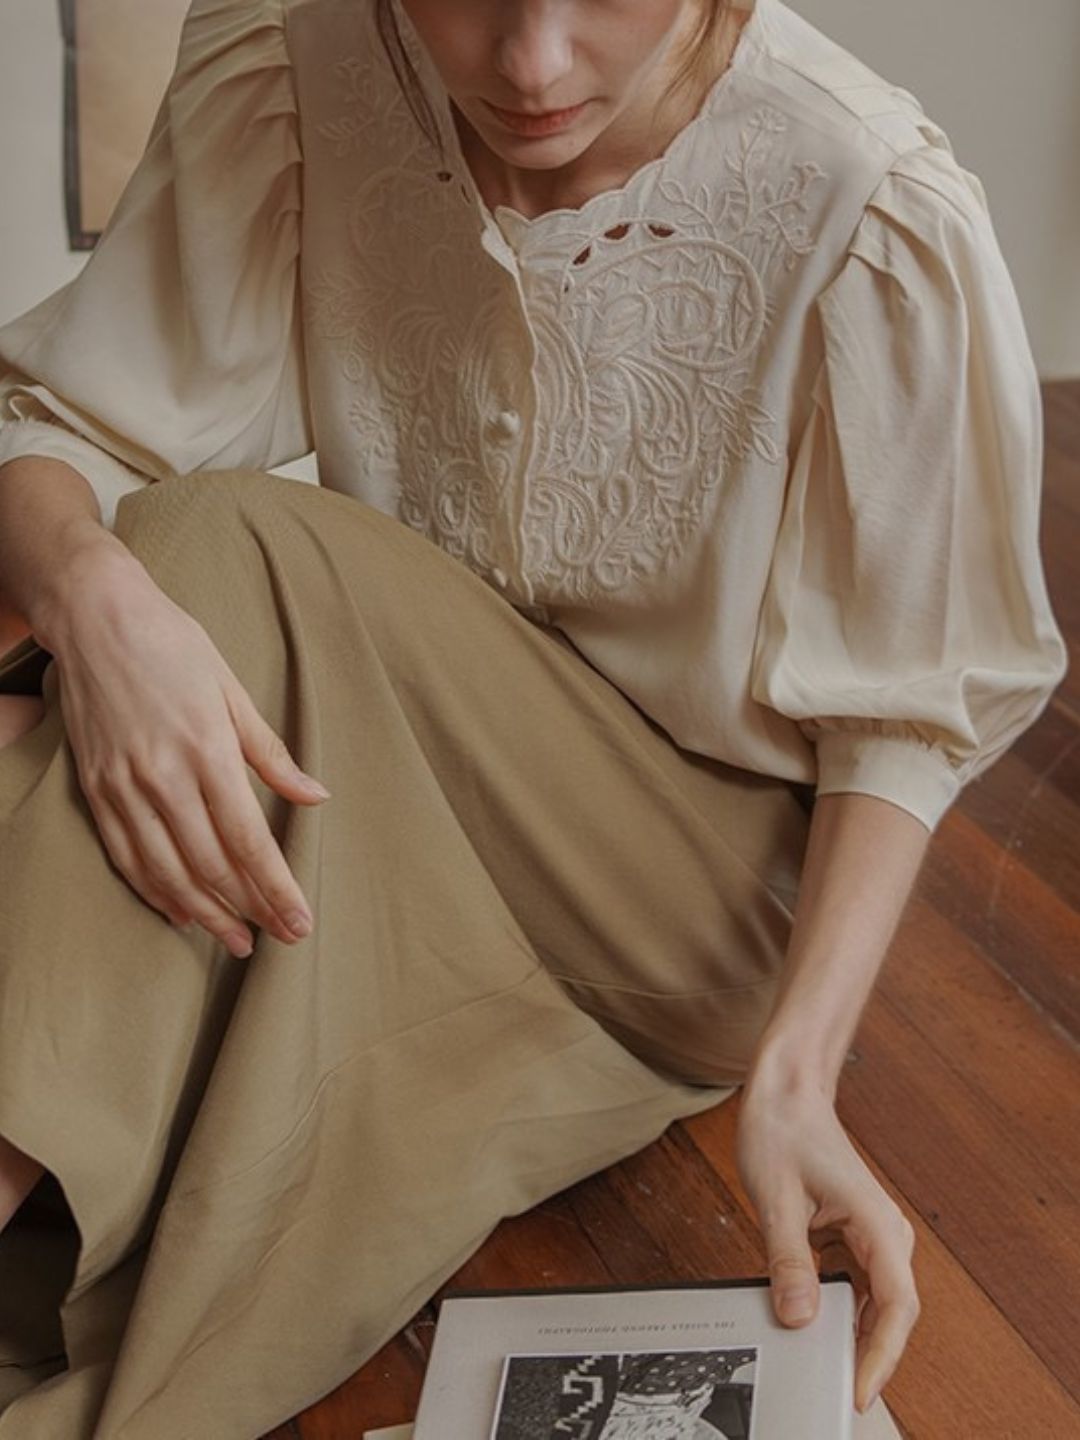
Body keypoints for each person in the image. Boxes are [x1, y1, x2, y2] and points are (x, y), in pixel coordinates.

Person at [0, 0, 1066, 1434]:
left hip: (687, 892)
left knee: (207, 549)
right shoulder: (303, 59)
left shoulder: (861, 192)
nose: (532, 64)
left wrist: (801, 1078)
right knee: (111, 640)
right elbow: (68, 424)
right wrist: (89, 606)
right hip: (410, 770)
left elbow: (906, 715)